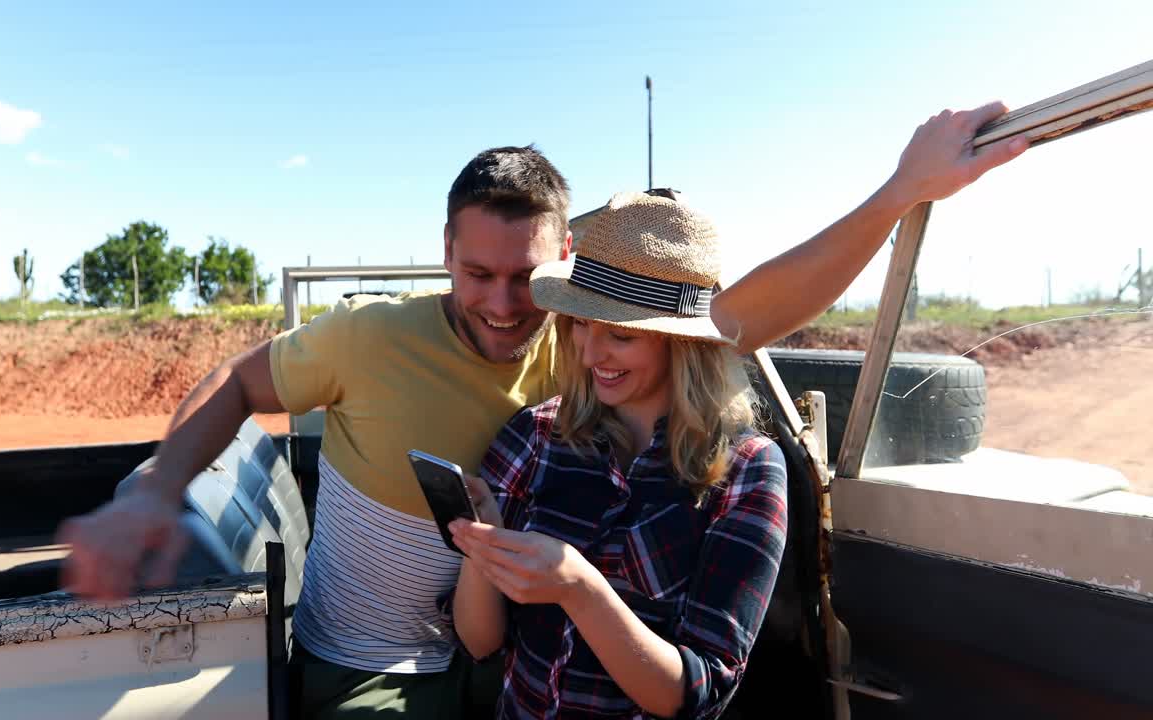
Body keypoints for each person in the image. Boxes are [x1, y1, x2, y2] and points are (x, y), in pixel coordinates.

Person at [56, 102, 1027, 717]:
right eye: (475, 273)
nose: (501, 305)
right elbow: (237, 384)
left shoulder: (585, 373)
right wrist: (154, 488)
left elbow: (750, 305)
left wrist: (903, 190)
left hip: (503, 667)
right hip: (377, 667)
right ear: (443, 253)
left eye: (526, 279)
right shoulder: (381, 344)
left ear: (562, 268)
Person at [450, 191, 783, 720]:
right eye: (581, 323)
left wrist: (579, 589)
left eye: (620, 336)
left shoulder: (746, 469)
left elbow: (697, 694)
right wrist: (481, 544)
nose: (589, 353)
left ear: (684, 346)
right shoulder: (534, 435)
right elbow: (479, 641)